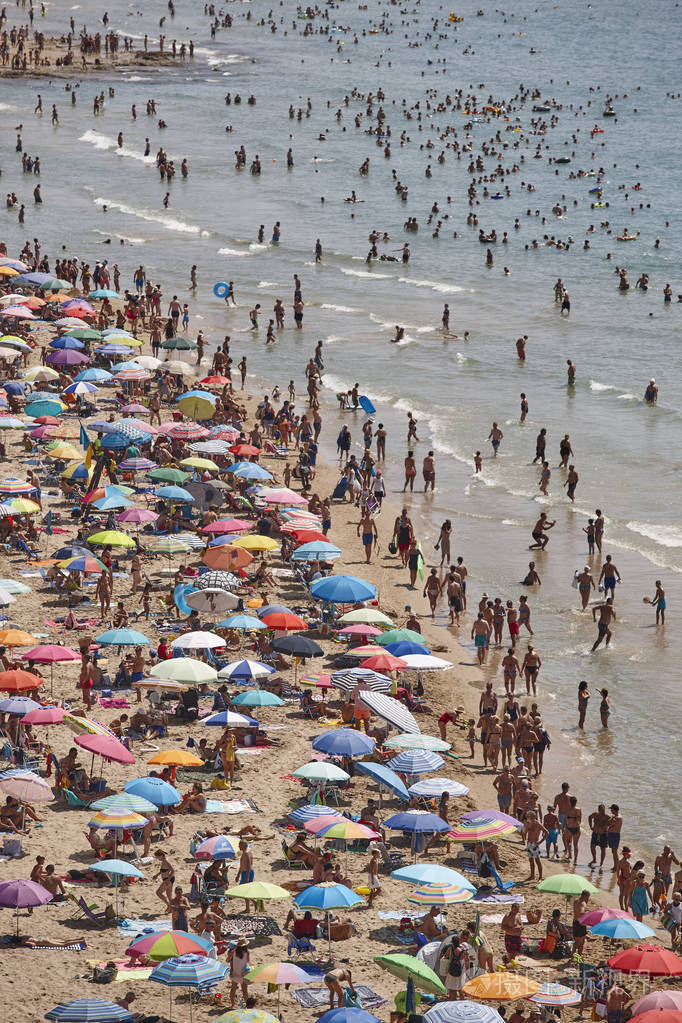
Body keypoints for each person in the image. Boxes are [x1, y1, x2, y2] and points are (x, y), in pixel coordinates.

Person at [227, 938, 250, 1008]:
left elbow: (227, 960)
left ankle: (233, 1004)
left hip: (235, 972)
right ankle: (247, 1005)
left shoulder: (233, 952)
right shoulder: (247, 952)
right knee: (245, 990)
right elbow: (247, 961)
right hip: (244, 972)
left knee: (233, 988)